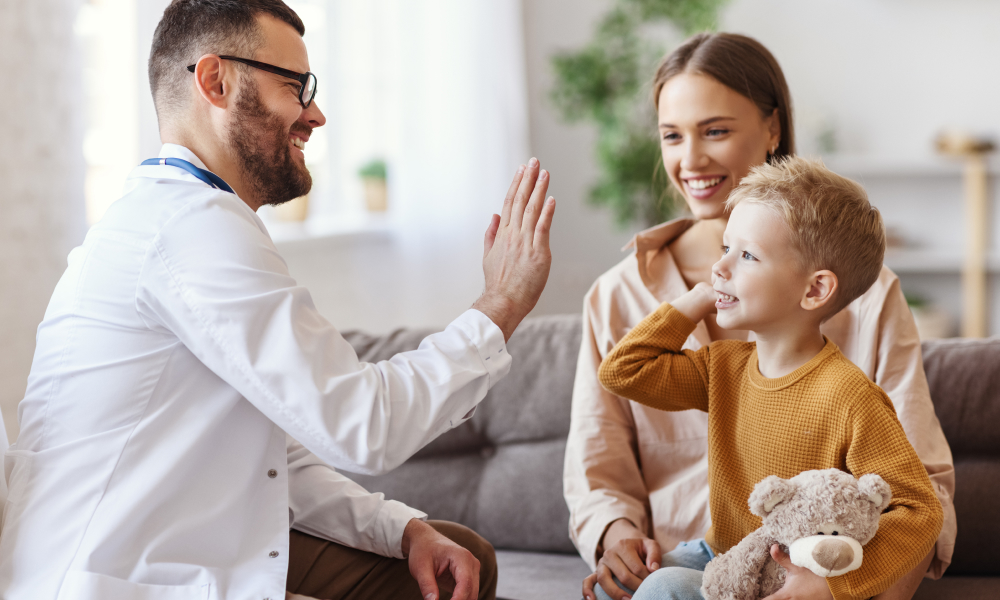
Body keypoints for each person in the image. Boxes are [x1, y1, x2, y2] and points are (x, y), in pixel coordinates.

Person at [0, 2, 556, 600]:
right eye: (295, 87)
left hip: (181, 547)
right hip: (117, 576)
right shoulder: (190, 227)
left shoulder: (183, 217)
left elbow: (272, 456)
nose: (315, 114)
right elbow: (364, 426)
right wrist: (500, 304)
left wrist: (404, 530)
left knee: (456, 556)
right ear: (215, 81)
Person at [564, 32, 955, 600]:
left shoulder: (866, 302)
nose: (690, 159)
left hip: (811, 566)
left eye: (715, 130)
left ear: (772, 128)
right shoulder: (621, 299)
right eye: (672, 135)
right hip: (698, 559)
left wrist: (837, 585)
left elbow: (920, 495)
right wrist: (615, 535)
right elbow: (599, 462)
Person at [596, 157, 943, 599]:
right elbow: (623, 371)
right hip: (723, 554)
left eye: (746, 255)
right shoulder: (721, 367)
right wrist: (694, 301)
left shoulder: (851, 396)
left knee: (662, 587)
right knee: (619, 588)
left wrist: (834, 584)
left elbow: (920, 510)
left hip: (786, 572)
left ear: (815, 289)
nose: (719, 268)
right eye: (725, 249)